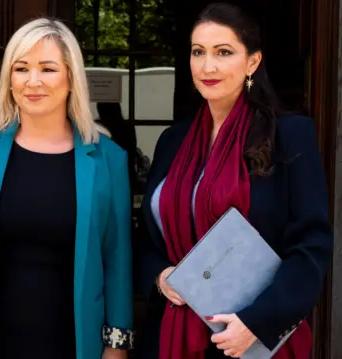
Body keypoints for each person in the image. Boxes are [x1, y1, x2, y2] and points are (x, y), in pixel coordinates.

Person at [135, 3, 333, 359]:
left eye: (223, 52)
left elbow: (312, 245)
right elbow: (149, 239)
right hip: (171, 335)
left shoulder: (290, 135)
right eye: (199, 52)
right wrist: (160, 276)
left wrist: (258, 324)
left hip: (253, 338)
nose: (208, 66)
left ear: (252, 62)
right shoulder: (172, 141)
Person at [0, 18, 133, 359]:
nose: (33, 81)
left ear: (71, 78)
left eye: (48, 69)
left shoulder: (108, 159)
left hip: (73, 339)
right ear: (9, 79)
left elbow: (117, 256)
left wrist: (116, 344)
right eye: (21, 68)